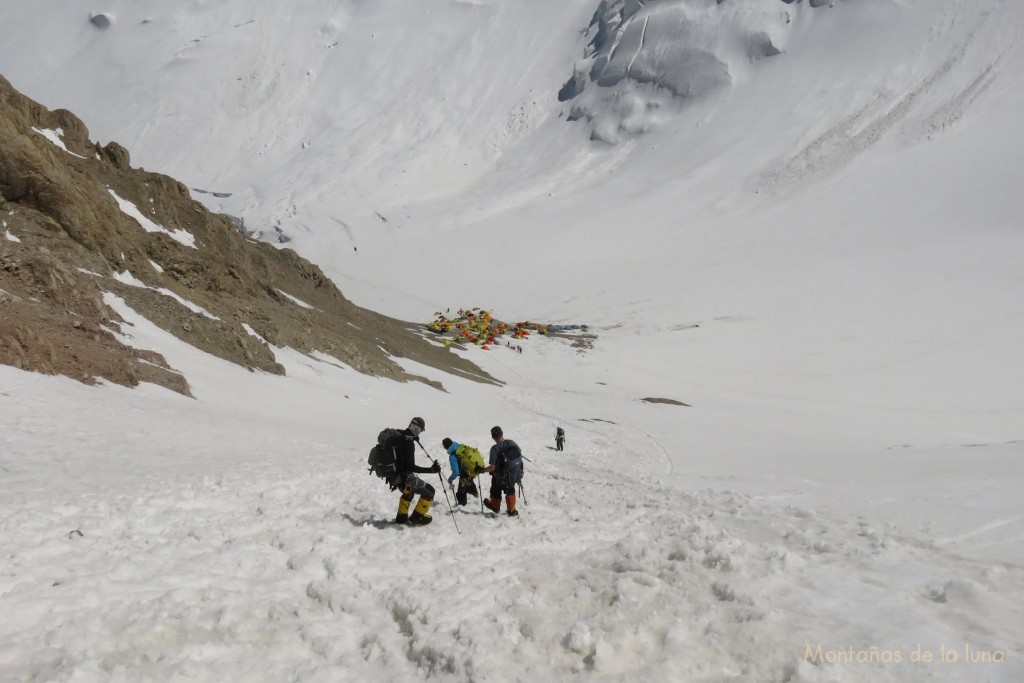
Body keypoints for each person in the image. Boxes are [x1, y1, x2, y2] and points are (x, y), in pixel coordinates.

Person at [389, 417, 441, 525]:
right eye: (421, 430)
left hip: (394, 477)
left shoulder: (400, 435)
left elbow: (404, 434)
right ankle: (416, 519)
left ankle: (401, 518)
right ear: (417, 428)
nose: (420, 433)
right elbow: (411, 467)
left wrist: (413, 438)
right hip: (405, 478)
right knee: (430, 491)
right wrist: (431, 470)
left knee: (408, 494)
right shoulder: (408, 442)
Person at [481, 425, 524, 517]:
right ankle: (511, 510)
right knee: (510, 490)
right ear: (502, 434)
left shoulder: (495, 449)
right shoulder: (511, 442)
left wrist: (482, 470)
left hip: (500, 477)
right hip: (513, 474)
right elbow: (519, 453)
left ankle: (495, 506)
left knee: (495, 489)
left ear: (493, 437)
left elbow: (492, 467)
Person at [442, 437, 481, 506]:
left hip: (464, 475)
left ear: (446, 447)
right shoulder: (461, 447)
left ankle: (462, 507)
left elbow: (456, 472)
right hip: (472, 470)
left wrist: (450, 480)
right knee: (468, 482)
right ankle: (475, 494)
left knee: (461, 493)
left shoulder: (452, 456)